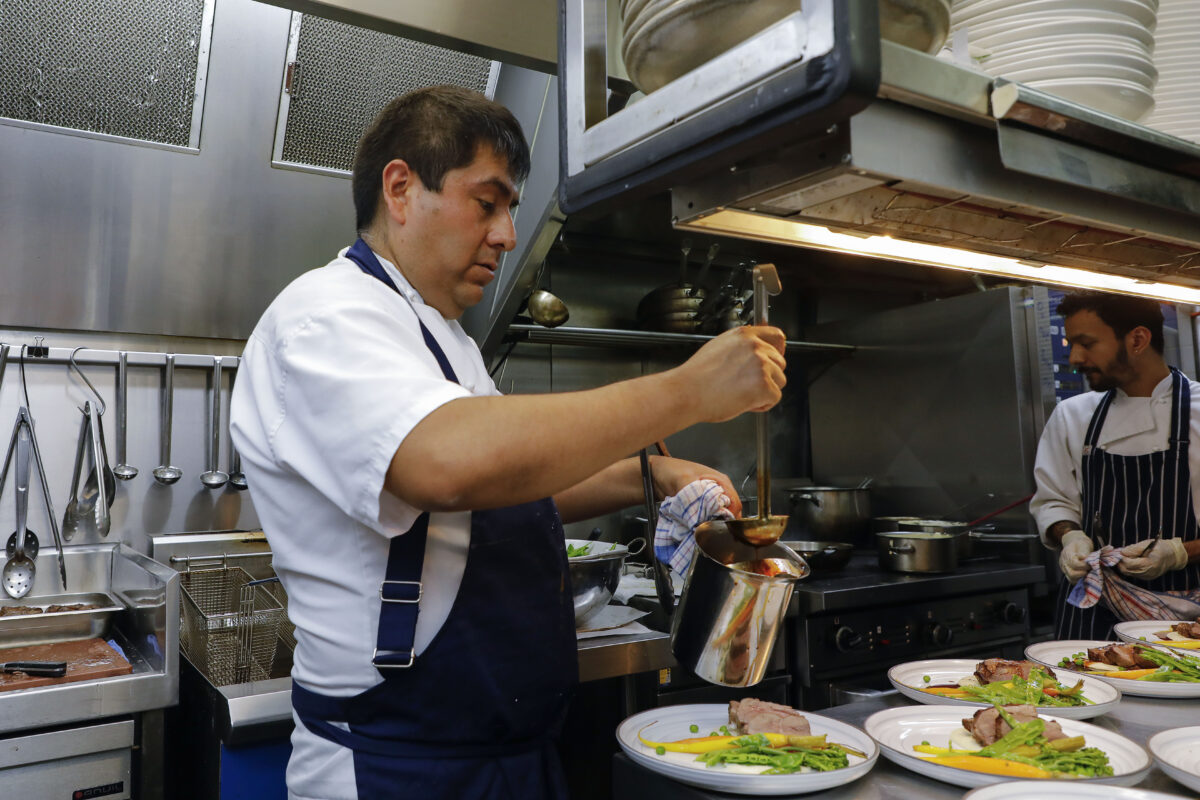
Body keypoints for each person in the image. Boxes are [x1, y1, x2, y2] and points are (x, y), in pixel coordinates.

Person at [229, 85, 787, 800]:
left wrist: (649, 476)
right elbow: (448, 465)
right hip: (397, 766)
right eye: (487, 203)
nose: (506, 234)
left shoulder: (444, 340)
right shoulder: (324, 317)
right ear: (400, 189)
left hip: (503, 757)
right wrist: (687, 390)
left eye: (512, 210)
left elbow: (506, 484)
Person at [1031, 290, 1200, 639]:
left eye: (1087, 343)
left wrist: (1179, 553)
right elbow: (1053, 501)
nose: (1075, 357)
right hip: (1090, 616)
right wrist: (1070, 536)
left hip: (1187, 622)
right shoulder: (1073, 416)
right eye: (1070, 343)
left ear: (1138, 339)